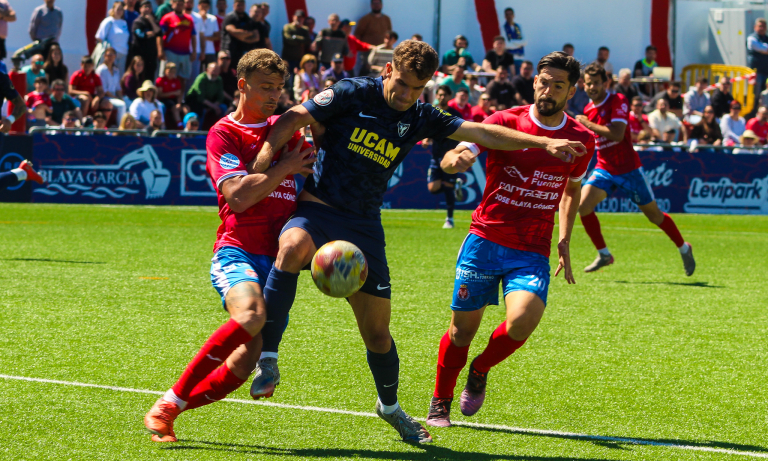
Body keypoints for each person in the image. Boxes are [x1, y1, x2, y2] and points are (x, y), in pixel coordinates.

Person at [245, 40, 585, 443]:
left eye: (418, 88)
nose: (407, 95)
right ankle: (268, 358)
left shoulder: (421, 115)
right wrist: (264, 157)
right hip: (318, 209)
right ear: (388, 70)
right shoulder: (352, 91)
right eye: (403, 84)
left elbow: (480, 131)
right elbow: (294, 117)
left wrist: (544, 142)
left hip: (365, 226)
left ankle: (390, 408)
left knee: (378, 334)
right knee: (291, 247)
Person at [143, 48, 314, 443]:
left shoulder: (287, 130)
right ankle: (168, 404)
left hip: (279, 261)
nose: (273, 95)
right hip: (237, 249)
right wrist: (285, 167)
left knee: (244, 361)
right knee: (251, 315)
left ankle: (169, 408)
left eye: (278, 88)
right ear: (242, 85)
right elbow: (237, 197)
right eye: (265, 87)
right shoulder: (224, 132)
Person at [426, 51, 593, 428]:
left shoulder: (581, 139)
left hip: (531, 248)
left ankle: (481, 369)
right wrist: (454, 161)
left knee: (522, 320)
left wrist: (565, 238)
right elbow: (460, 151)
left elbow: (571, 189)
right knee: (461, 332)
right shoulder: (504, 121)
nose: (548, 90)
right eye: (544, 82)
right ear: (534, 82)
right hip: (485, 240)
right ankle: (441, 401)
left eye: (559, 86)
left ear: (571, 91)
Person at [575, 63, 695, 276]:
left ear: (606, 83)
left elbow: (617, 134)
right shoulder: (588, 109)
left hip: (629, 169)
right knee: (583, 205)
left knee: (654, 215)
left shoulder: (618, 100)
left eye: (596, 83)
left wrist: (588, 124)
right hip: (605, 168)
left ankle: (684, 247)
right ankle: (604, 254)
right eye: (588, 83)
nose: (591, 87)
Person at [427, 84, 463, 228]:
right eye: (440, 95)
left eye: (444, 95)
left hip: (450, 155)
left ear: (449, 97)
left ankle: (450, 219)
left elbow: (462, 133)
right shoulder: (433, 113)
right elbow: (427, 129)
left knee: (448, 185)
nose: (442, 97)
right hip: (436, 155)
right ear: (436, 96)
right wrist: (426, 138)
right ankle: (455, 186)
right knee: (432, 188)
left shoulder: (455, 115)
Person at [0, 70, 41, 186]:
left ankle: (22, 173)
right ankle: (22, 173)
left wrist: (9, 120)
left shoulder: (1, 78)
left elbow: (21, 105)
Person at [158, 0, 198, 88]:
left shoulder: (189, 19)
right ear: (172, 5)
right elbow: (159, 35)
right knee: (167, 75)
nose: (179, 6)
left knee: (183, 78)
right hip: (170, 52)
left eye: (181, 4)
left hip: (185, 53)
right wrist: (160, 50)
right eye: (177, 4)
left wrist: (194, 51)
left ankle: (180, 96)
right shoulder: (167, 18)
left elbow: (193, 36)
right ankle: (165, 95)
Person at [129, 0, 161, 82]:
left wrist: (151, 21)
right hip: (140, 55)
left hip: (151, 56)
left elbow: (158, 32)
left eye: (149, 7)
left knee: (150, 77)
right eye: (145, 7)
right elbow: (139, 34)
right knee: (139, 77)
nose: (147, 9)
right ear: (140, 9)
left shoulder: (154, 21)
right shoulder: (137, 22)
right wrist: (148, 34)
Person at [221, 0, 259, 67]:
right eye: (238, 5)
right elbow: (234, 32)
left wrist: (243, 37)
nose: (240, 7)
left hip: (242, 52)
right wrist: (249, 33)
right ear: (234, 6)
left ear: (245, 6)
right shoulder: (230, 17)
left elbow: (256, 37)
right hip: (229, 52)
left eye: (242, 5)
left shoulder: (247, 18)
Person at [96, 47, 127, 124]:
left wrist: (121, 97)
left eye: (112, 55)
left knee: (127, 102)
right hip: (105, 97)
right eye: (108, 55)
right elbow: (104, 90)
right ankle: (120, 126)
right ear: (104, 56)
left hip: (113, 97)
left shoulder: (116, 70)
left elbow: (118, 88)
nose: (110, 57)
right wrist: (116, 98)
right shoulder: (101, 70)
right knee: (122, 105)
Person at [96, 2, 131, 71]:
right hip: (111, 54)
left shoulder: (124, 23)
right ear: (113, 9)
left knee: (119, 74)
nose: (119, 11)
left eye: (121, 9)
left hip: (123, 53)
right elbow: (99, 37)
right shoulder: (108, 21)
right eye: (118, 9)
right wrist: (107, 50)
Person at [747, 18, 768, 115]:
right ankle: (753, 115)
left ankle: (764, 115)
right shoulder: (751, 38)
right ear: (755, 27)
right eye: (760, 26)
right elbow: (762, 48)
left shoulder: (766, 38)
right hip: (756, 73)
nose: (762, 28)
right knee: (755, 96)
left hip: (766, 72)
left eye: (764, 26)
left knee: (765, 96)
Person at [192, 0, 220, 69]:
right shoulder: (193, 18)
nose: (204, 8)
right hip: (197, 51)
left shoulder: (213, 19)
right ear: (198, 6)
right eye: (202, 6)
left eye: (206, 6)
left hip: (210, 51)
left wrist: (204, 38)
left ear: (209, 7)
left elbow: (217, 36)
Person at [281, 9, 309, 75]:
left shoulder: (305, 29)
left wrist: (295, 37)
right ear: (293, 17)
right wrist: (301, 41)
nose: (299, 19)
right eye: (298, 17)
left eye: (301, 18)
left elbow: (307, 41)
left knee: (298, 77)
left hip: (299, 59)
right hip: (288, 59)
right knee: (286, 77)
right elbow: (288, 40)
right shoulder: (288, 27)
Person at [155, 61, 183, 127]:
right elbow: (160, 95)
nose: (171, 73)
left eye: (173, 72)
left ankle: (188, 125)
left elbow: (179, 94)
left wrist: (179, 103)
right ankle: (180, 126)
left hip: (174, 100)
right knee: (174, 107)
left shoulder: (176, 81)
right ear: (165, 71)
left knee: (185, 108)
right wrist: (173, 93)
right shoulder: (160, 80)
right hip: (163, 100)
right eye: (169, 71)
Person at [502, 7, 525, 73]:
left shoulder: (518, 27)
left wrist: (512, 42)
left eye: (510, 14)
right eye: (507, 15)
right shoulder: (503, 28)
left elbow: (525, 42)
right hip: (509, 59)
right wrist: (519, 43)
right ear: (505, 16)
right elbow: (506, 44)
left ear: (513, 15)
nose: (509, 16)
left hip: (520, 58)